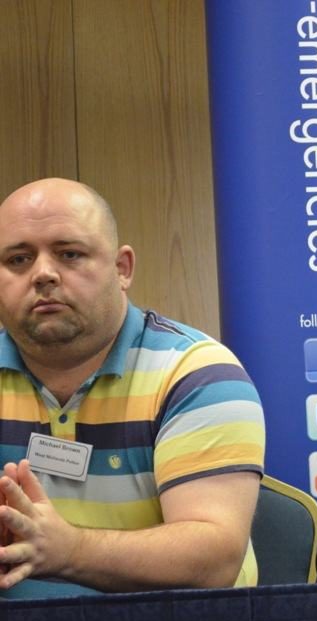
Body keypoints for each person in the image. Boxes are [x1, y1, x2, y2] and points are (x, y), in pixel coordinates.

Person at [0, 178, 265, 592]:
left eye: (70, 254)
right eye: (18, 260)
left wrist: (70, 550)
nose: (43, 274)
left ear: (122, 269)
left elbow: (215, 559)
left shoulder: (195, 373)